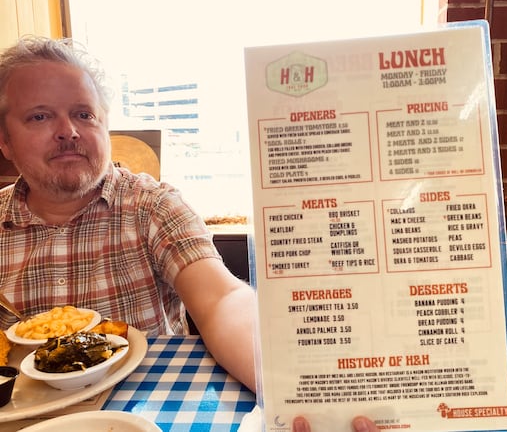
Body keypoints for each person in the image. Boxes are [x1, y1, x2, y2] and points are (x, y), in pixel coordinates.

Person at [0, 36, 380, 431]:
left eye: (84, 114)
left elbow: (223, 300)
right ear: (5, 140)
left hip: (146, 416)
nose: (69, 132)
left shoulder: (152, 205)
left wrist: (299, 393)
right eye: (40, 117)